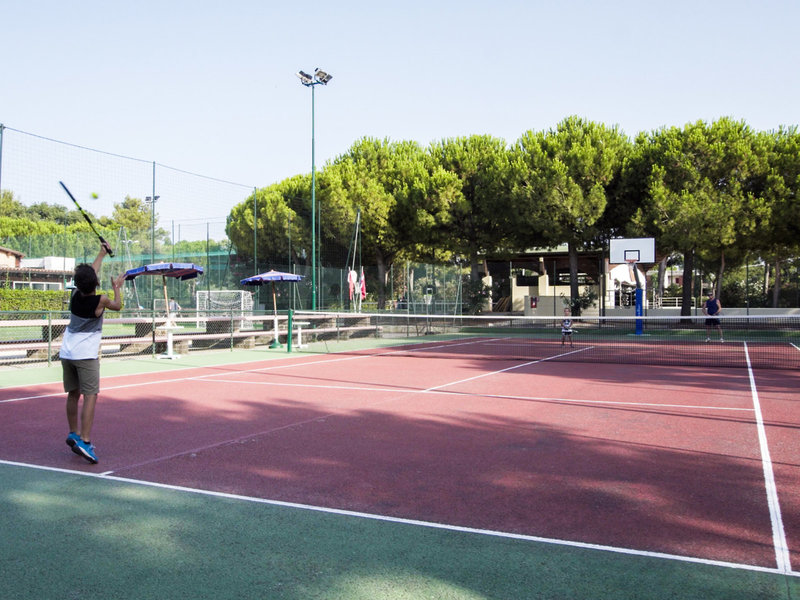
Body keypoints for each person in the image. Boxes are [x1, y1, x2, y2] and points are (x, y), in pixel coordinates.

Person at [61, 243, 125, 464]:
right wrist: (117, 287)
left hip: (67, 352)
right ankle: (85, 442)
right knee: (91, 395)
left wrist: (101, 253)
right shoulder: (101, 300)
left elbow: (90, 274)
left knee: (73, 393)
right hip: (85, 355)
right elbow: (117, 306)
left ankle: (73, 433)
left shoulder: (75, 294)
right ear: (96, 283)